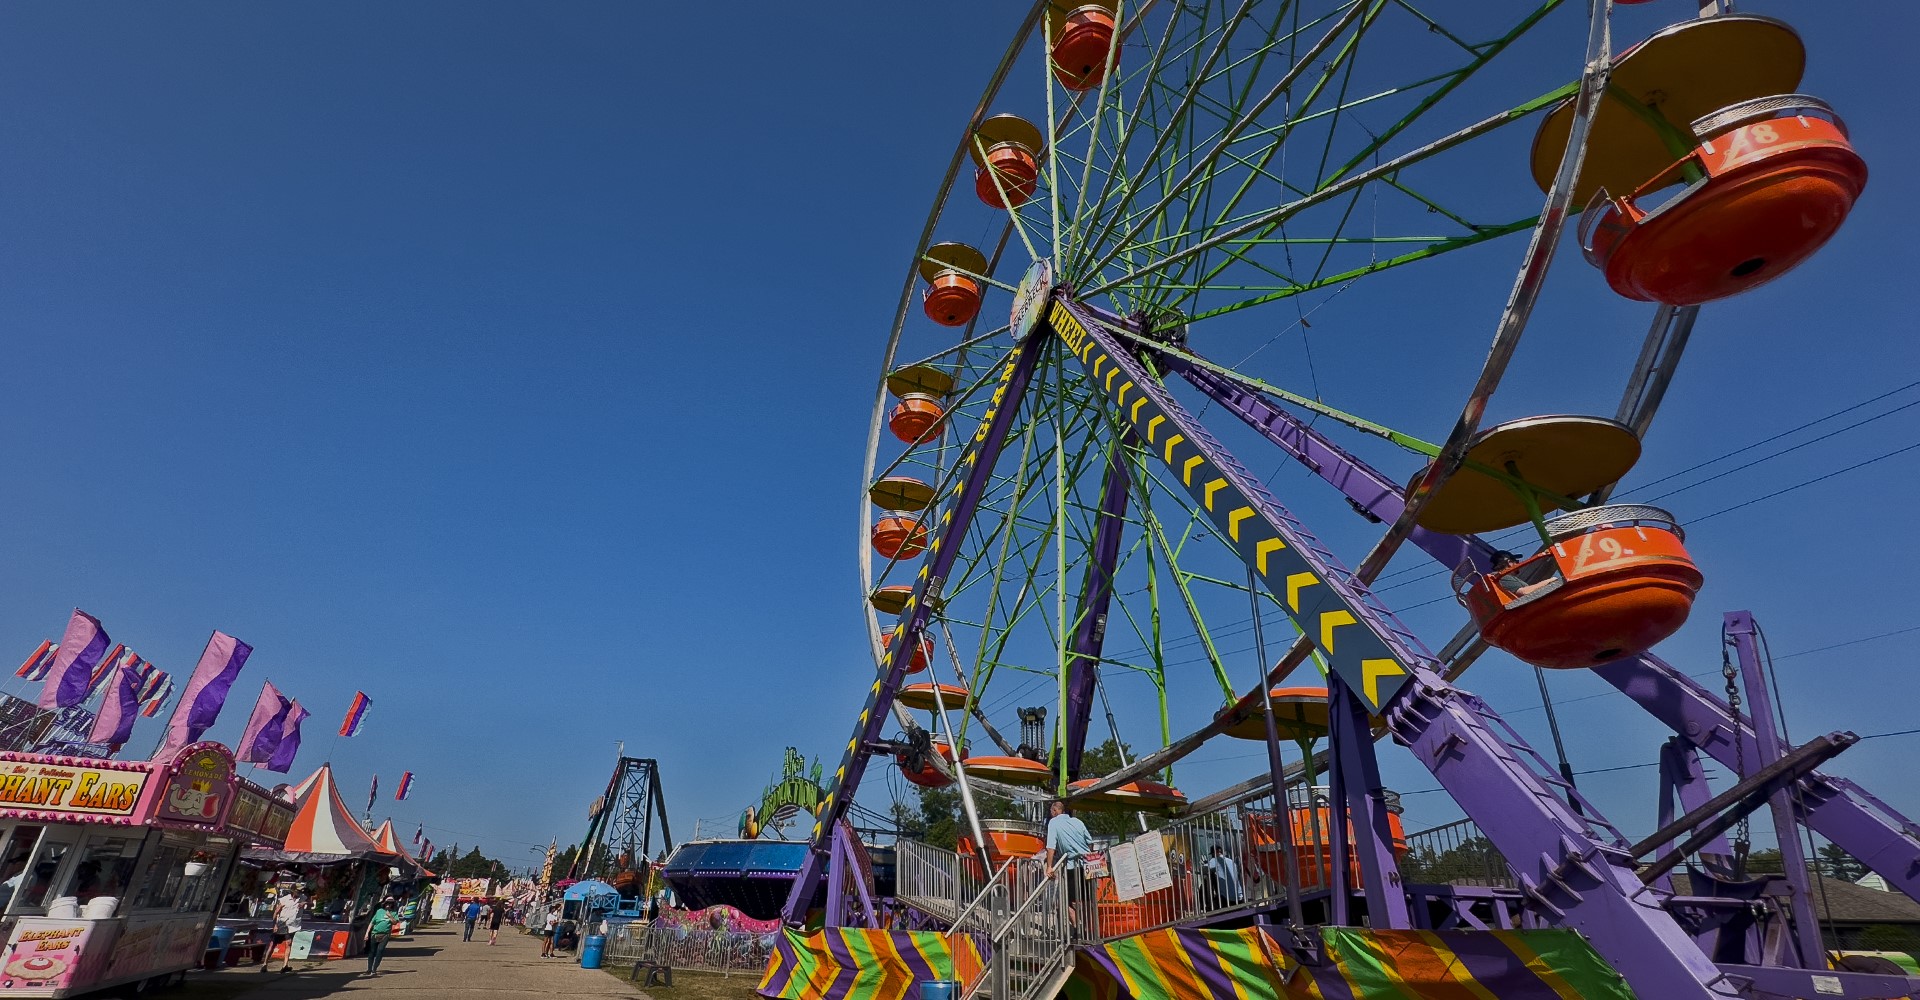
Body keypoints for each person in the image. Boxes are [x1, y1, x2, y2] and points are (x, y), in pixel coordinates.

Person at [1044, 799, 1094, 931]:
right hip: (1087, 864)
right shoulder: (1077, 821)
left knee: (1064, 900)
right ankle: (1089, 929)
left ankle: (1078, 926)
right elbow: (1090, 842)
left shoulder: (1053, 823)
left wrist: (1049, 866)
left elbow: (1050, 847)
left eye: (1051, 811)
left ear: (1055, 811)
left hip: (1071, 866)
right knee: (1088, 899)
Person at [267, 887, 305, 974]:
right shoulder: (284, 899)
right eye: (297, 890)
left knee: (288, 943)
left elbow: (311, 904)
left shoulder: (302, 897)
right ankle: (265, 964)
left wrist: (304, 903)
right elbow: (276, 911)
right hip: (281, 924)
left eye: (300, 891)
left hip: (292, 926)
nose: (299, 892)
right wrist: (274, 924)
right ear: (293, 891)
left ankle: (285, 965)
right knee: (272, 944)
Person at [364, 898, 398, 976]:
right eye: (387, 904)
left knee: (380, 950)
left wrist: (390, 916)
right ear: (384, 904)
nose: (388, 905)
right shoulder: (379, 911)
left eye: (390, 904)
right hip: (375, 933)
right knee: (372, 951)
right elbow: (372, 922)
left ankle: (374, 969)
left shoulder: (394, 912)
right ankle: (369, 969)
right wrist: (367, 933)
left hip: (385, 934)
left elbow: (395, 922)